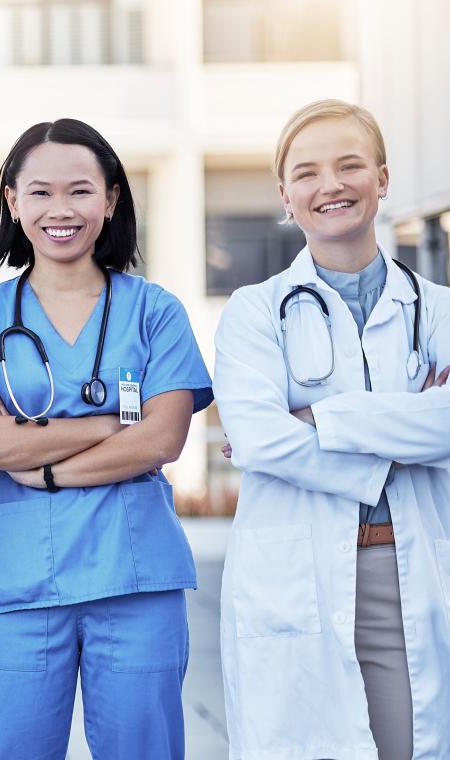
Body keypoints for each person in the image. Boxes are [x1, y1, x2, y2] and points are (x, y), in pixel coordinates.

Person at [0, 119, 213, 759]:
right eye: (40, 192)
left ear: (111, 199)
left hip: (135, 580)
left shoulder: (156, 311)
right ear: (11, 201)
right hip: (21, 583)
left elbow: (163, 440)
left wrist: (49, 465)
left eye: (80, 191)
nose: (61, 210)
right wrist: (113, 421)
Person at [214, 99, 450, 759]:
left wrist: (321, 416)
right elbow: (259, 438)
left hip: (414, 572)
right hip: (297, 573)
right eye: (309, 172)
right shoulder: (254, 312)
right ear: (286, 196)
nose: (331, 185)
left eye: (350, 165)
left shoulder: (437, 310)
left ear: (382, 178)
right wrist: (402, 442)